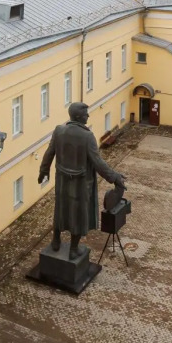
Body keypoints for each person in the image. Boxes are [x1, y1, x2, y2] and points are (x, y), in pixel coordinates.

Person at [38, 102, 125, 258]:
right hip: (81, 184)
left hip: (62, 182)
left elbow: (49, 153)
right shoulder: (87, 136)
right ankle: (73, 249)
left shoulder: (59, 131)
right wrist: (115, 177)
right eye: (86, 114)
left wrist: (43, 170)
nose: (88, 116)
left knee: (60, 210)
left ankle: (56, 241)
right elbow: (98, 162)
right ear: (78, 116)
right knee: (78, 214)